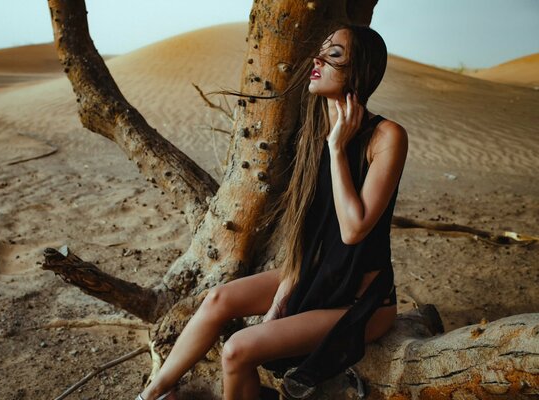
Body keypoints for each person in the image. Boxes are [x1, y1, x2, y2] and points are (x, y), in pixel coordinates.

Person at [136, 23, 408, 400]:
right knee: (217, 300)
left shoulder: (386, 137)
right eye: (321, 49)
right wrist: (282, 296)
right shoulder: (314, 133)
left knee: (236, 350)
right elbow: (308, 234)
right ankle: (151, 394)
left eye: (335, 55)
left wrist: (337, 149)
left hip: (360, 303)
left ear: (360, 69)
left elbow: (353, 230)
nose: (318, 59)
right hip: (316, 278)